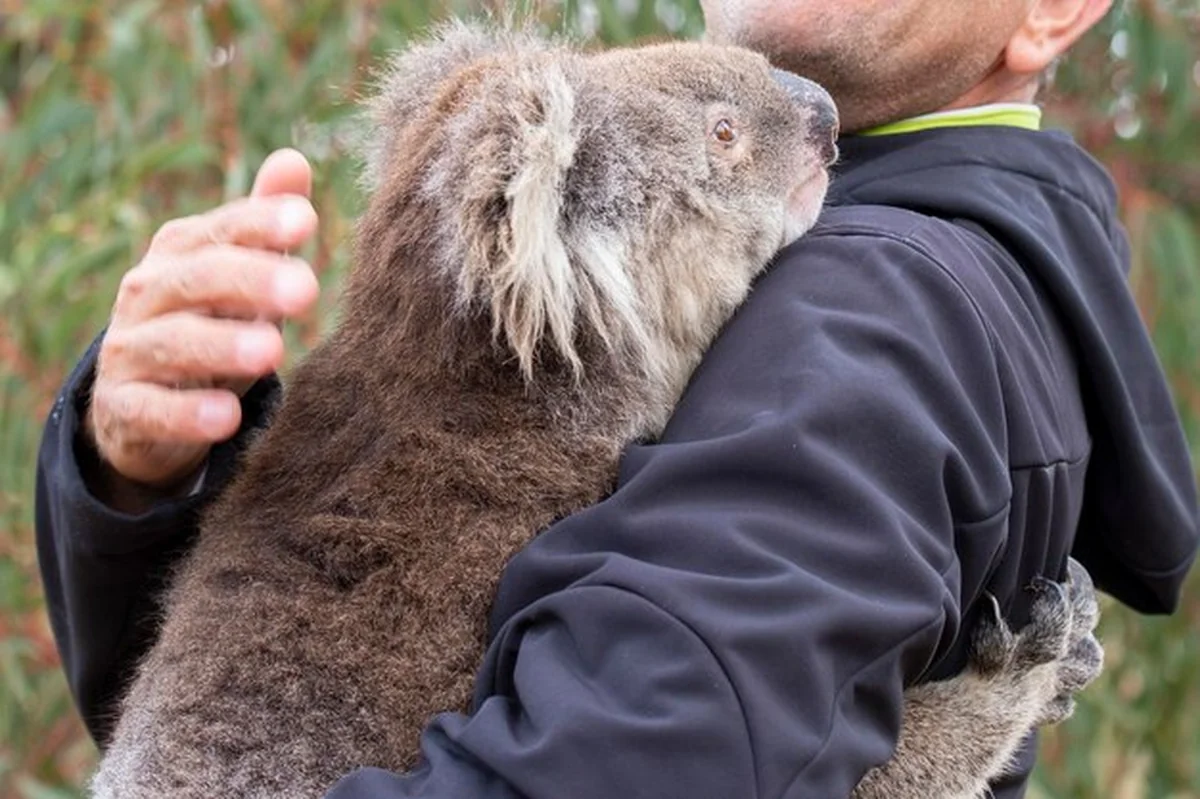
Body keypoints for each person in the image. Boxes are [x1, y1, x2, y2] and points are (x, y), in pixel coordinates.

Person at [36, 0, 1199, 796]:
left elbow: (658, 760)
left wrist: (968, 723)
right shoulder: (590, 340)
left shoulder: (867, 303)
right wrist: (140, 468)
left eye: (733, 130)